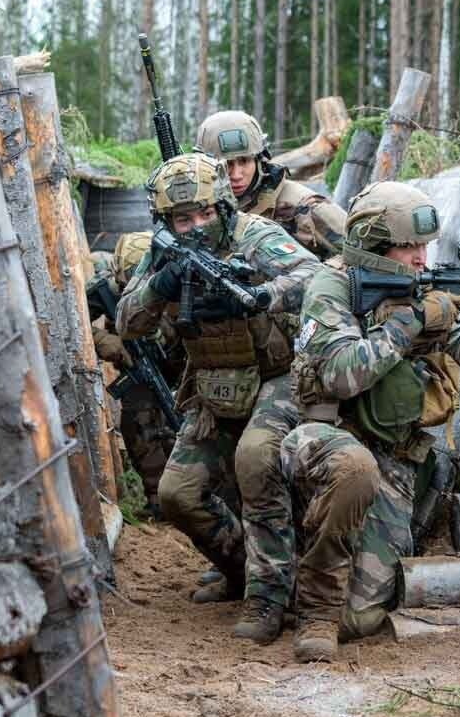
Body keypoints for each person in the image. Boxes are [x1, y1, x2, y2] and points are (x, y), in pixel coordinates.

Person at [281, 181, 460, 662]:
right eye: (408, 246)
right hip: (329, 440)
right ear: (374, 246)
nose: (420, 257)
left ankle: (312, 585)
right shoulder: (333, 286)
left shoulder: (422, 287)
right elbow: (341, 374)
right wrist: (412, 319)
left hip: (394, 458)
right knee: (354, 470)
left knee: (362, 620)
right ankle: (315, 612)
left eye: (424, 246)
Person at [116, 152, 321, 640]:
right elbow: (127, 321)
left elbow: (314, 276)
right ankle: (241, 571)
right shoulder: (164, 253)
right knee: (177, 494)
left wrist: (262, 295)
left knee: (256, 460)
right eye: (183, 219)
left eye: (205, 214)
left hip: (277, 374)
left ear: (224, 208)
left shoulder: (254, 235)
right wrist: (159, 285)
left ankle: (269, 598)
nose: (196, 227)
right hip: (213, 382)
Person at [86, 235, 179, 520]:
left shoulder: (174, 282)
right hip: (138, 368)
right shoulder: (107, 289)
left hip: (179, 367)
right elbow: (71, 316)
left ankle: (184, 497)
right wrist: (104, 340)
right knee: (139, 428)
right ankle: (158, 501)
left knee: (179, 429)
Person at [195, 110, 346, 259]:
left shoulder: (304, 205)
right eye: (226, 165)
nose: (236, 175)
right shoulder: (199, 207)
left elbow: (357, 258)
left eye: (244, 161)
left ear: (259, 160)